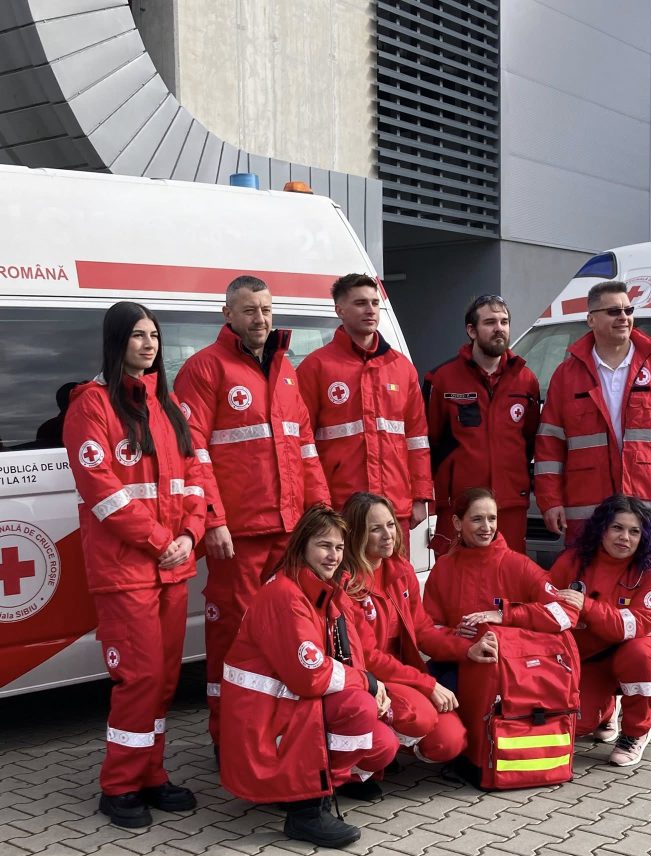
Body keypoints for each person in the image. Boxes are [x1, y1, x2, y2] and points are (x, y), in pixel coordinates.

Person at [63, 302, 206, 828]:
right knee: (139, 678)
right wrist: (162, 539)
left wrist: (190, 534)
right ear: (116, 341)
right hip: (126, 569)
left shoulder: (169, 405)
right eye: (138, 336)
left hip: (172, 565)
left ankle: (151, 774)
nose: (149, 345)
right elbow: (102, 491)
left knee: (164, 680)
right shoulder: (91, 406)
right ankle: (119, 785)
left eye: (154, 336)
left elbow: (194, 477)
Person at [174, 276, 329, 750]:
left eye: (265, 309)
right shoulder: (204, 368)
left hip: (290, 530)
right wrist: (213, 519)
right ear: (228, 315)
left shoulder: (285, 369)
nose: (260, 319)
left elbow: (305, 446)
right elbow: (192, 452)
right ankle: (230, 737)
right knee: (234, 633)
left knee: (292, 629)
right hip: (238, 535)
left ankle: (280, 729)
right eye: (249, 310)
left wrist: (321, 514)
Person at [535, 279, 651, 725]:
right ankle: (595, 684)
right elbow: (550, 443)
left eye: (628, 310)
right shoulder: (568, 375)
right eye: (613, 311)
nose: (624, 317)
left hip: (647, 511)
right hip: (587, 513)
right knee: (586, 601)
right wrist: (550, 499)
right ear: (591, 320)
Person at [219, 505, 399, 848]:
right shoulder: (286, 596)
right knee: (358, 707)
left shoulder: (320, 590)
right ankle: (306, 808)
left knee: (383, 744)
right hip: (265, 719)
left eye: (339, 547)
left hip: (284, 711)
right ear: (302, 545)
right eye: (324, 546)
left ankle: (313, 788)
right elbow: (309, 677)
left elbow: (344, 656)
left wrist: (370, 682)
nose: (333, 556)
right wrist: (367, 682)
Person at [341, 491, 498, 785]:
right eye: (375, 529)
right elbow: (368, 657)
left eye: (390, 525)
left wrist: (467, 649)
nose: (388, 535)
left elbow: (423, 630)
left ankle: (389, 740)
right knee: (420, 716)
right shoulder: (347, 583)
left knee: (450, 742)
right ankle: (360, 765)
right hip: (365, 678)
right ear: (355, 534)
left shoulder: (400, 570)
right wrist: (427, 684)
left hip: (401, 674)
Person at [297, 273, 432, 554]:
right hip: (342, 507)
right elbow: (302, 441)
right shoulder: (316, 367)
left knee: (396, 577)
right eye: (360, 303)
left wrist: (420, 496)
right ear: (340, 310)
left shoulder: (401, 367)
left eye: (374, 303)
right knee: (347, 578)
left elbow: (417, 438)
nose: (370, 310)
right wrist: (316, 502)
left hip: (394, 506)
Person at [549, 495, 651, 767]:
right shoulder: (573, 561)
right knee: (577, 725)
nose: (624, 537)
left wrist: (586, 607)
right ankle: (606, 710)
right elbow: (546, 602)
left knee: (640, 656)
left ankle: (636, 732)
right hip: (588, 656)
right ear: (602, 529)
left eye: (634, 531)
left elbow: (634, 625)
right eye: (617, 528)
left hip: (636, 650)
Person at [423, 294, 540, 554]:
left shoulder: (526, 380)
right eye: (490, 322)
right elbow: (428, 442)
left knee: (508, 573)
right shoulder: (441, 379)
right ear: (471, 330)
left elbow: (530, 441)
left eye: (504, 322)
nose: (499, 328)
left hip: (509, 503)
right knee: (455, 573)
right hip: (460, 503)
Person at [423, 488, 578, 639]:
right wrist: (457, 639)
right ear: (457, 523)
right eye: (477, 519)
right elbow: (428, 631)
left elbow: (566, 614)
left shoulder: (520, 566)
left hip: (511, 656)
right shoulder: (443, 568)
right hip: (459, 655)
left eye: (492, 519)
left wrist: (504, 614)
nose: (486, 527)